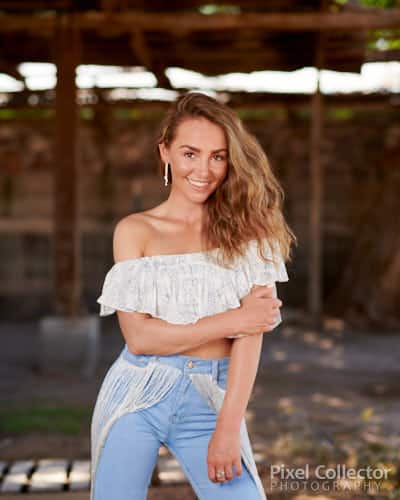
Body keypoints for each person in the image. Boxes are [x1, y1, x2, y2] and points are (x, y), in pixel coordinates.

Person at [90, 91, 296, 500]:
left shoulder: (250, 228)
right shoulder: (135, 231)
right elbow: (141, 338)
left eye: (217, 156)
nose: (204, 169)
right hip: (138, 390)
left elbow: (251, 338)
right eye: (189, 154)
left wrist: (227, 428)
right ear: (165, 152)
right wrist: (232, 321)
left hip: (213, 398)